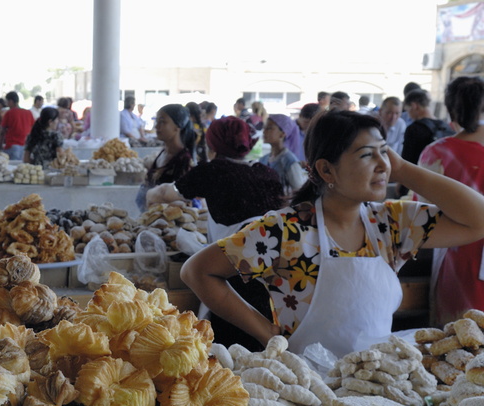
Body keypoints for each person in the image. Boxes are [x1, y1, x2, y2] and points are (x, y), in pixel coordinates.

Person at [180, 110, 484, 357]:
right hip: (309, 392)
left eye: (384, 153)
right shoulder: (285, 231)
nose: (382, 165)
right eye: (367, 155)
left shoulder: (391, 223)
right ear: (327, 171)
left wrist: (403, 169)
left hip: (381, 384)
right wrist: (264, 332)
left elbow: (478, 220)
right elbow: (197, 271)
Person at [147, 116, 286, 350]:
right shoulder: (267, 172)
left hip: (232, 281)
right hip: (275, 285)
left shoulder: (213, 171)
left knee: (231, 359)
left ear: (212, 144)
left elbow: (167, 194)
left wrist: (151, 194)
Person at [419, 76, 484, 326]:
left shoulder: (438, 152)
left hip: (456, 256)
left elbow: (421, 210)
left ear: (452, 109)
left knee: (457, 341)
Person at [135, 103, 195, 211]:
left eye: (162, 122)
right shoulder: (162, 154)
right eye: (157, 121)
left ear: (177, 127)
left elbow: (184, 204)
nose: (157, 126)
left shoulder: (184, 161)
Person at [401, 88, 454, 165]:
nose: (408, 115)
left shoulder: (413, 129)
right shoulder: (447, 127)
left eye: (408, 110)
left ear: (414, 106)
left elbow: (406, 162)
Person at [259, 114, 307, 194]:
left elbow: (299, 192)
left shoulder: (290, 162)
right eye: (264, 128)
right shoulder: (264, 159)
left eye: (269, 128)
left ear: (282, 134)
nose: (264, 131)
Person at [0, 91, 34, 161]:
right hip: (26, 146)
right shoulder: (28, 113)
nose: (6, 104)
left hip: (12, 145)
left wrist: (0, 146)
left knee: (11, 167)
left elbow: (2, 131)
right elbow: (33, 128)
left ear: (11, 101)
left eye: (7, 101)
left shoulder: (9, 113)